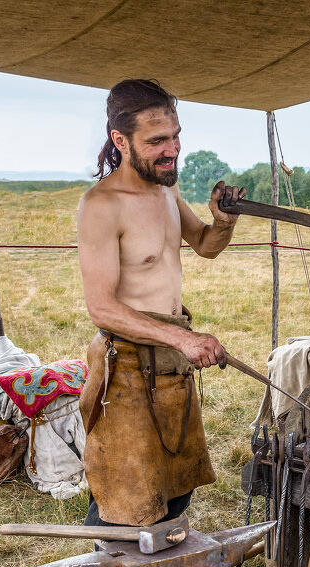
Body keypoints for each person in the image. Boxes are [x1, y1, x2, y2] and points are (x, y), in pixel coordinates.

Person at [76, 78, 245, 526]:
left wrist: (223, 221)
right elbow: (102, 308)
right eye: (157, 141)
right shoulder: (101, 205)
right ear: (120, 140)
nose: (172, 150)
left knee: (175, 491)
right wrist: (182, 338)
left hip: (173, 365)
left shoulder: (166, 190)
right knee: (126, 500)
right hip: (127, 370)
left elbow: (206, 245)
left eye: (175, 137)